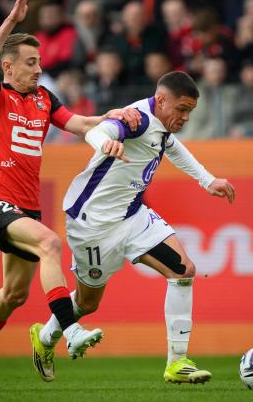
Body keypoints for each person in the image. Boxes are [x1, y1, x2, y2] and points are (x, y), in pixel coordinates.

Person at [0, 0, 140, 388]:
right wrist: (11, 22)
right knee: (52, 244)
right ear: (9, 68)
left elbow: (80, 125)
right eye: (31, 62)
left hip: (25, 206)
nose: (39, 69)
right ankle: (68, 331)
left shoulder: (43, 98)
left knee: (14, 294)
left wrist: (116, 116)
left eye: (39, 62)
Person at [29, 71, 236, 384]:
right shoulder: (136, 118)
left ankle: (176, 363)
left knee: (183, 271)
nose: (185, 117)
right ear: (162, 100)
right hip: (93, 225)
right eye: (181, 109)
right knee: (87, 303)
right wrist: (107, 142)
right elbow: (100, 130)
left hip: (133, 215)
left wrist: (208, 180)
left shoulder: (163, 127)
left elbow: (172, 146)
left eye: (190, 112)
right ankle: (44, 339)